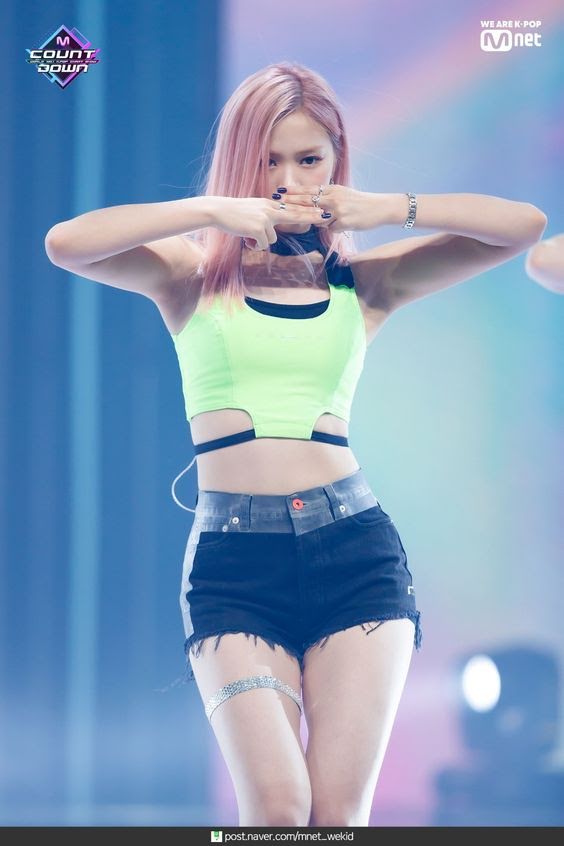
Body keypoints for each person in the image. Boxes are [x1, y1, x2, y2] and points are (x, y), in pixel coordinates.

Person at [44, 61, 548, 828]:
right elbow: (66, 243)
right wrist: (214, 210)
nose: (286, 180)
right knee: (278, 808)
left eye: (309, 159)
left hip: (355, 556)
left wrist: (389, 207)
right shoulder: (189, 277)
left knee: (337, 817)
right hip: (233, 566)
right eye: (267, 160)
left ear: (335, 163)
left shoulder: (364, 283)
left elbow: (524, 229)